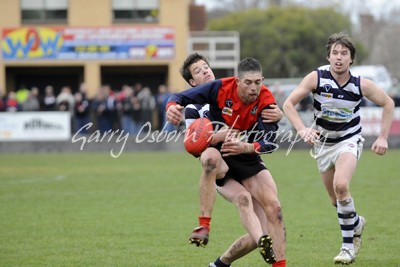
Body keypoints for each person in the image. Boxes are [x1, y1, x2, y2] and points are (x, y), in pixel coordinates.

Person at [282, 32, 394, 264]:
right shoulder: (316, 78)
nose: (339, 57)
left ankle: (347, 248)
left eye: (344, 53)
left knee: (341, 186)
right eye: (335, 53)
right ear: (328, 56)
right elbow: (288, 104)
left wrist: (382, 137)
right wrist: (302, 129)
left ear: (351, 59)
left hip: (348, 141)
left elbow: (388, 103)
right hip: (323, 146)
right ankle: (356, 223)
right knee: (336, 201)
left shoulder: (360, 84)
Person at [167, 57, 286, 266]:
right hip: (219, 161)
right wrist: (215, 136)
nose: (205, 71)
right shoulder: (195, 107)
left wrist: (278, 114)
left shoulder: (232, 88)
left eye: (206, 66)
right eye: (198, 70)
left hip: (246, 158)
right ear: (192, 81)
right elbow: (195, 145)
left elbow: (269, 140)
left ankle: (220, 263)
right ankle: (204, 224)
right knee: (213, 162)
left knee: (271, 216)